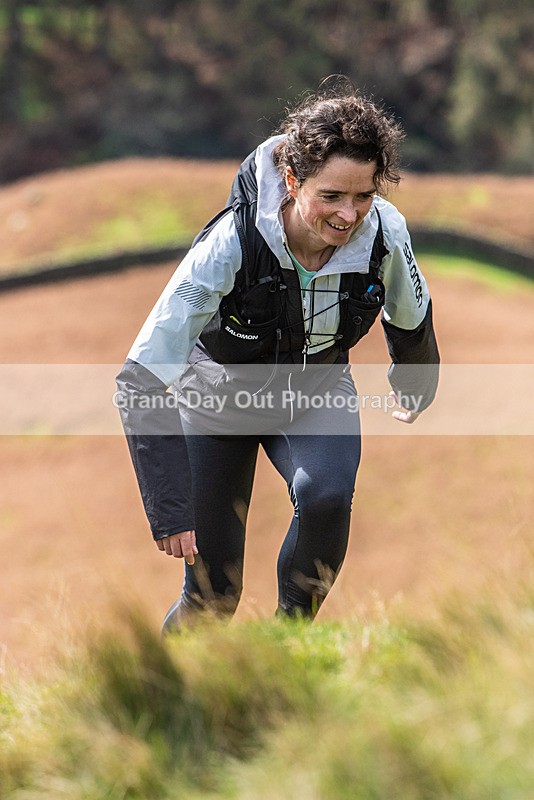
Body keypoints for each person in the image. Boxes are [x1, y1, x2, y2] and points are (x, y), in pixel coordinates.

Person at [116, 85, 440, 632]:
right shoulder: (231, 243)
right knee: (213, 596)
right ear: (293, 182)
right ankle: (164, 691)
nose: (349, 214)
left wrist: (414, 381)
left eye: (363, 196)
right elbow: (141, 377)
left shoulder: (385, 232)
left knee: (327, 496)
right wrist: (169, 507)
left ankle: (290, 648)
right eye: (332, 195)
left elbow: (411, 314)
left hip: (315, 392)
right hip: (217, 399)